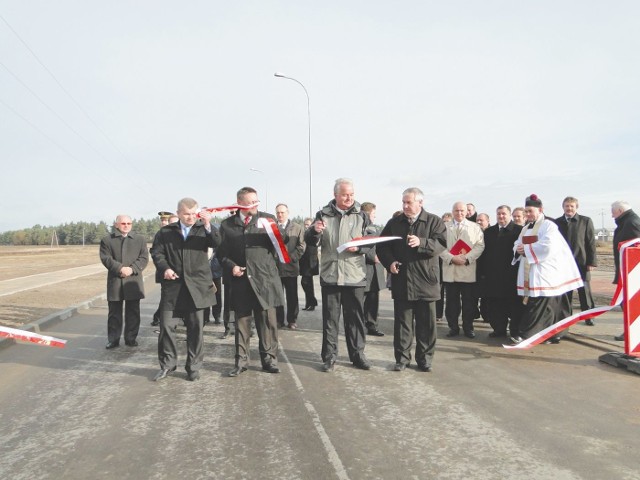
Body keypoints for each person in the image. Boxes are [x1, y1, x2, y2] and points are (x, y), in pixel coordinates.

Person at [305, 177, 372, 372]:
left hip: (354, 275)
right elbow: (311, 241)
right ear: (335, 195)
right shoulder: (322, 214)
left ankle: (358, 355)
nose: (349, 198)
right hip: (331, 274)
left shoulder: (363, 215)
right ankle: (329, 357)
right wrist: (315, 231)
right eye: (345, 195)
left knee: (355, 319)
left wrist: (359, 248)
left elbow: (371, 240)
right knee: (330, 320)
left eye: (351, 194)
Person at [377, 188, 446, 372]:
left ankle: (425, 359)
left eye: (409, 202)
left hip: (427, 280)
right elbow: (382, 247)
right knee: (403, 324)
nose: (405, 206)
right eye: (404, 202)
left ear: (420, 203)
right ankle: (402, 359)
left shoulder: (434, 221)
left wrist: (422, 242)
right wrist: (389, 262)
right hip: (403, 280)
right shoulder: (394, 222)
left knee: (427, 325)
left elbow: (441, 244)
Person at [151, 198, 220, 381]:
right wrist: (165, 268)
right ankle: (167, 365)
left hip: (197, 288)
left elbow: (217, 242)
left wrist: (207, 224)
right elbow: (157, 253)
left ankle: (193, 367)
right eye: (186, 214)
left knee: (195, 329)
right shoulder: (166, 232)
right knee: (166, 327)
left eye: (193, 214)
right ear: (179, 213)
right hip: (173, 288)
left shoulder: (202, 229)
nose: (190, 217)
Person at [218, 187, 283, 376]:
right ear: (239, 203)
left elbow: (281, 244)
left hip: (265, 280)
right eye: (250, 202)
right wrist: (232, 266)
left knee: (268, 324)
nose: (255, 205)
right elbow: (221, 254)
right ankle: (241, 362)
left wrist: (277, 229)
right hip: (241, 281)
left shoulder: (267, 219)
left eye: (256, 201)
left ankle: (269, 359)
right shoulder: (227, 225)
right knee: (241, 324)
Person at [512, 194, 583, 344]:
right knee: (545, 305)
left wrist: (525, 249)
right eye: (526, 211)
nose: (528, 214)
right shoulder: (525, 228)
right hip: (529, 272)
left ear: (540, 210)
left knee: (542, 304)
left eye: (530, 211)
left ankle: (527, 334)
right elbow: (518, 243)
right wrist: (518, 249)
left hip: (545, 272)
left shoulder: (549, 226)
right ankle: (549, 334)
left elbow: (548, 247)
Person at [99, 215, 149, 349]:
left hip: (133, 281)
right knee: (114, 313)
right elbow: (106, 258)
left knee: (133, 312)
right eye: (123, 223)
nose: (126, 225)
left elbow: (144, 258)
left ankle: (131, 338)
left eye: (129, 223)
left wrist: (132, 269)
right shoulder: (107, 240)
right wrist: (120, 268)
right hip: (116, 280)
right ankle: (113, 340)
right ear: (116, 225)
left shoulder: (139, 239)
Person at [440, 201, 485, 338]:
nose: (459, 213)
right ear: (452, 211)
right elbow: (438, 246)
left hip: (467, 270)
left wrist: (466, 258)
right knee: (451, 303)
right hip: (451, 269)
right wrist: (451, 258)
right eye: (456, 211)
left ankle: (468, 328)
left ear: (466, 212)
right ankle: (453, 327)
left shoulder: (475, 227)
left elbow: (480, 246)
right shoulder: (444, 227)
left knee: (469, 303)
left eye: (462, 211)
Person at [477, 205, 523, 338]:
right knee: (495, 305)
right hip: (493, 276)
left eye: (504, 214)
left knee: (513, 305)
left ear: (509, 215)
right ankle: (499, 329)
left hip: (511, 275)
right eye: (499, 214)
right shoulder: (489, 232)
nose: (501, 216)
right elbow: (484, 253)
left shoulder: (519, 230)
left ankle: (515, 331)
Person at [555, 197, 597, 326]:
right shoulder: (557, 223)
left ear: (576, 207)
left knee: (584, 292)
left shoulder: (585, 221)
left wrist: (591, 262)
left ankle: (588, 316)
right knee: (566, 291)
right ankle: (566, 317)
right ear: (563, 207)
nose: (569, 208)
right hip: (563, 264)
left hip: (581, 262)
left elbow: (590, 243)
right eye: (567, 206)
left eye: (571, 206)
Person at [611, 201, 640, 341]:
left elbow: (635, 250)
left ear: (620, 210)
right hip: (626, 271)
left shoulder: (631, 223)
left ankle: (633, 330)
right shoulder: (626, 222)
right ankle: (631, 330)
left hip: (632, 273)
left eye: (613, 212)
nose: (612, 215)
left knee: (628, 302)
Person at [275, 203, 306, 329]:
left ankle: (292, 320)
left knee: (292, 295)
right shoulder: (273, 228)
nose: (280, 215)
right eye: (278, 212)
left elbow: (302, 246)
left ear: (287, 213)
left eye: (282, 212)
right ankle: (279, 320)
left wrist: (291, 257)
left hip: (291, 267)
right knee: (278, 295)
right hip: (276, 268)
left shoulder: (297, 227)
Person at [360, 202, 386, 337]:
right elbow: (360, 245)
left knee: (373, 300)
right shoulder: (360, 227)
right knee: (360, 301)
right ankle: (360, 326)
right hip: (363, 270)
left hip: (376, 271)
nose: (375, 217)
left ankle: (372, 325)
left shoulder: (375, 228)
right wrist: (372, 256)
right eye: (373, 214)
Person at [151, 211, 176, 327]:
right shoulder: (159, 234)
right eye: (162, 221)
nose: (164, 223)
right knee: (166, 298)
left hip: (176, 271)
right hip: (164, 271)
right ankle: (160, 319)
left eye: (166, 220)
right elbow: (156, 252)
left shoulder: (175, 233)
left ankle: (160, 318)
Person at [299, 217, 319, 311]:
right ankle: (309, 304)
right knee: (307, 284)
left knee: (306, 283)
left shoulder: (313, 234)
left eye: (309, 224)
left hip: (310, 262)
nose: (307, 226)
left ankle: (312, 302)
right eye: (306, 224)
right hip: (304, 261)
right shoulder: (304, 233)